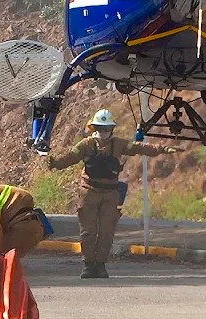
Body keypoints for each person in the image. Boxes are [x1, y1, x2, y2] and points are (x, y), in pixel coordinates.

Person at [48, 109, 184, 279]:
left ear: (111, 129)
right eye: (100, 128)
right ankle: (89, 265)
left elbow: (139, 147)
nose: (103, 132)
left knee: (107, 231)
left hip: (110, 194)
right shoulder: (85, 144)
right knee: (88, 232)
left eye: (106, 128)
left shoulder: (119, 144)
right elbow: (70, 157)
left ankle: (101, 264)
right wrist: (54, 163)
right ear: (94, 127)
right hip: (88, 193)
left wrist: (162, 149)